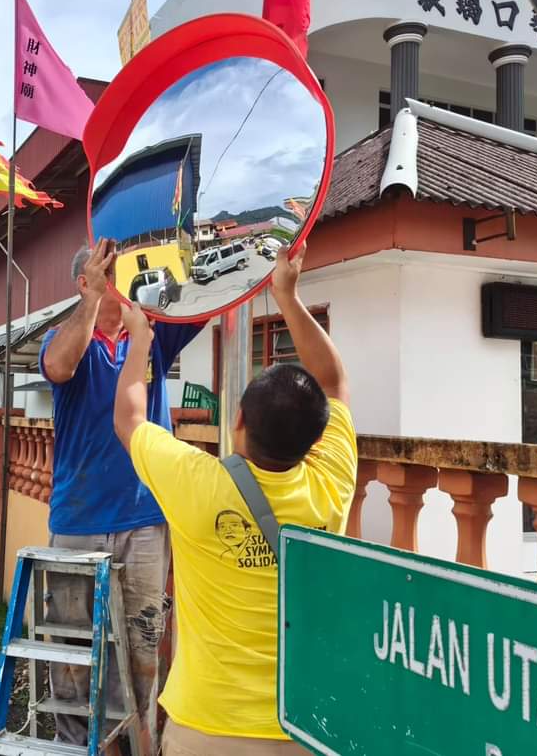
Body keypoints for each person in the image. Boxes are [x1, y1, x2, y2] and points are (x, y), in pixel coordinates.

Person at [113, 244, 357, 755]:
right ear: (317, 438)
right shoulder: (330, 484)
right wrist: (288, 298)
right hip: (303, 728)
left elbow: (130, 419)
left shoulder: (195, 484)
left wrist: (139, 341)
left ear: (239, 422)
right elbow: (333, 382)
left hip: (206, 728)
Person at [39, 238, 204, 753]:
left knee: (142, 646)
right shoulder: (65, 338)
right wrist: (90, 299)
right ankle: (78, 744)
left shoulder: (150, 337)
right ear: (85, 281)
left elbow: (207, 295)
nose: (125, 280)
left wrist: (199, 247)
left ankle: (135, 743)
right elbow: (59, 368)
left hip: (144, 518)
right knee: (73, 647)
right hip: (79, 520)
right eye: (110, 272)